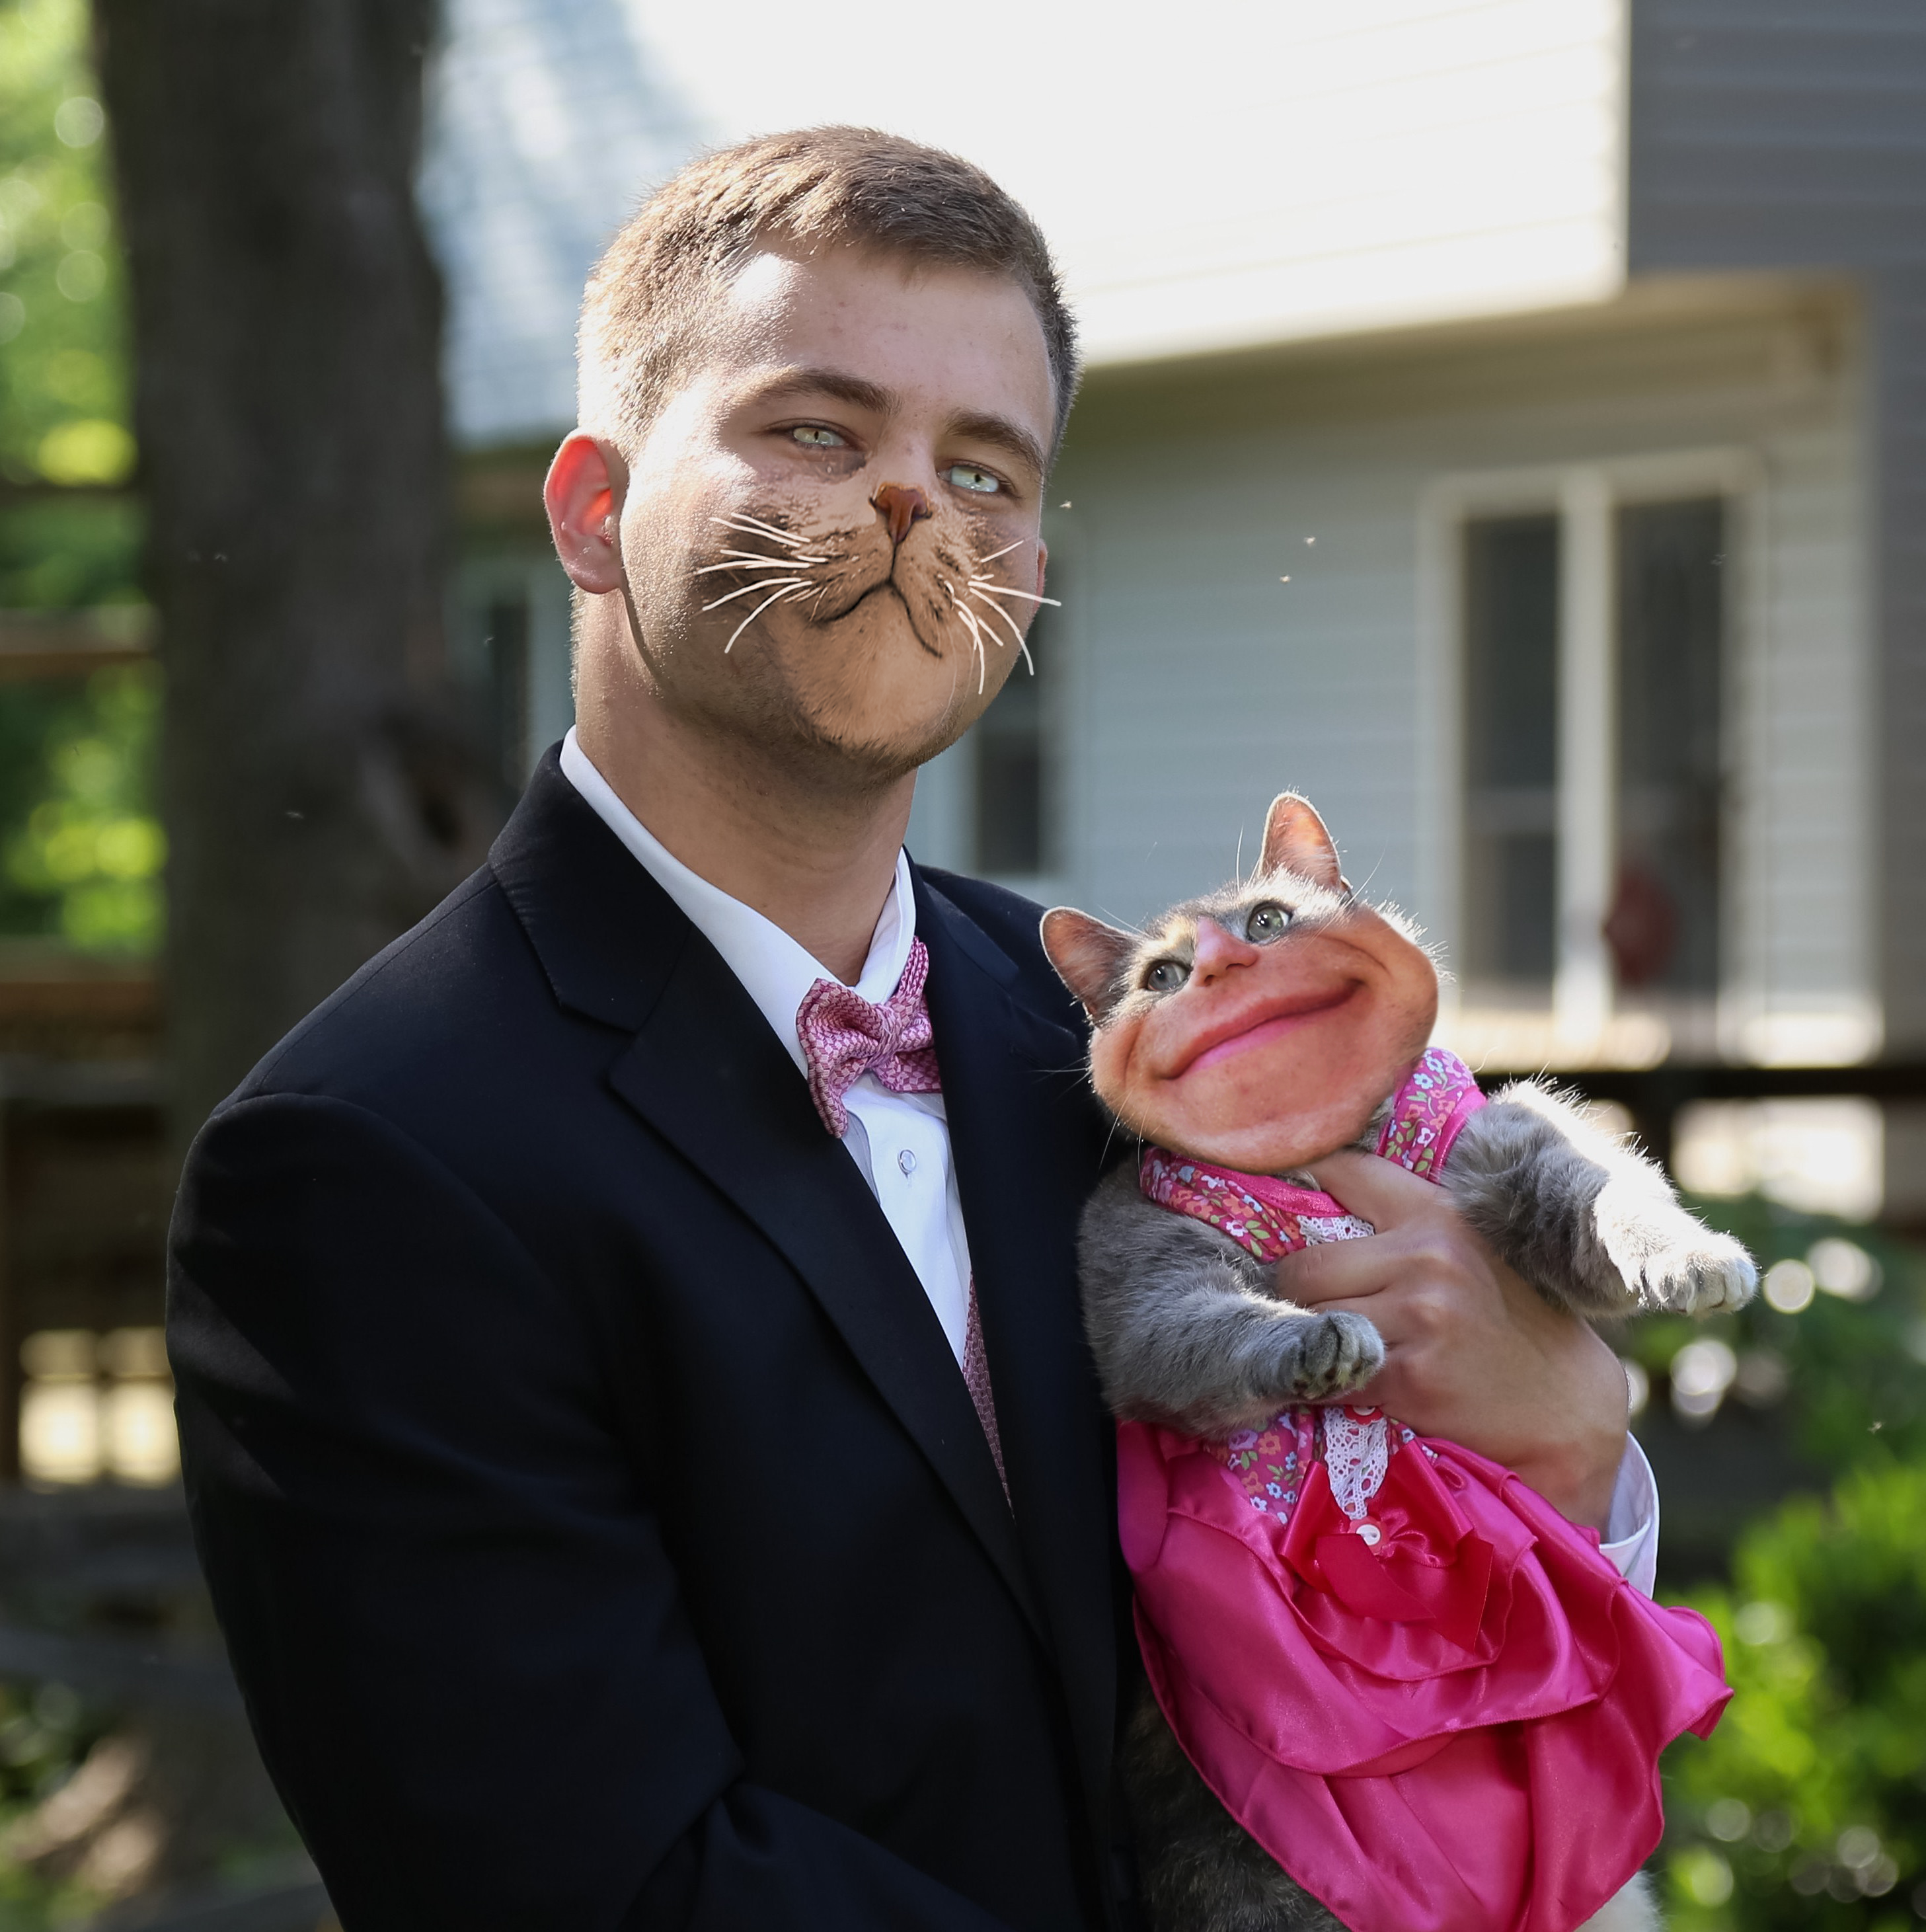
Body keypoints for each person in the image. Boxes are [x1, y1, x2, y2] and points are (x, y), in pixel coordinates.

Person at [167, 128, 1654, 1932]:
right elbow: (603, 1884)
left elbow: (1367, 1640)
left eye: (985, 468)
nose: (911, 506)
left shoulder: (1139, 1040)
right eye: (817, 429)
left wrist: (1570, 1456)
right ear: (586, 508)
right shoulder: (364, 1159)